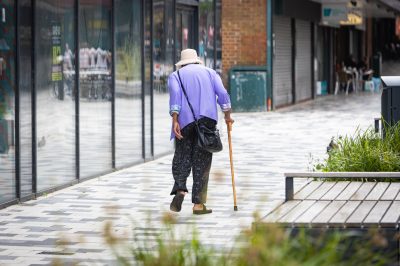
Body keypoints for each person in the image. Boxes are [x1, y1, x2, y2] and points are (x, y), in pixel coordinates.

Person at [168, 49, 233, 215]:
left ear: (182, 62)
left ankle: (180, 189)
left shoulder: (176, 75)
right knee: (202, 162)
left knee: (182, 156)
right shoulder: (211, 73)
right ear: (197, 60)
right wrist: (227, 115)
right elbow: (223, 94)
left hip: (185, 122)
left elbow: (176, 96)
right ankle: (198, 204)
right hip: (207, 122)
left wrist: (175, 119)